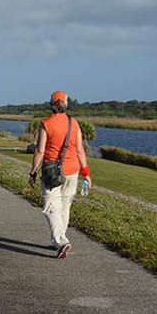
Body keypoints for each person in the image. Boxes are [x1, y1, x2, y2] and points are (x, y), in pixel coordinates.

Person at [28, 90, 91, 259]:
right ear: (65, 104)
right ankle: (59, 238)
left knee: (50, 206)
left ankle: (61, 241)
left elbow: (40, 150)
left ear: (52, 104)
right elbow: (80, 150)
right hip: (72, 170)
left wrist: (33, 171)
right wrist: (86, 172)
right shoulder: (73, 123)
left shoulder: (46, 123)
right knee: (64, 205)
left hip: (52, 171)